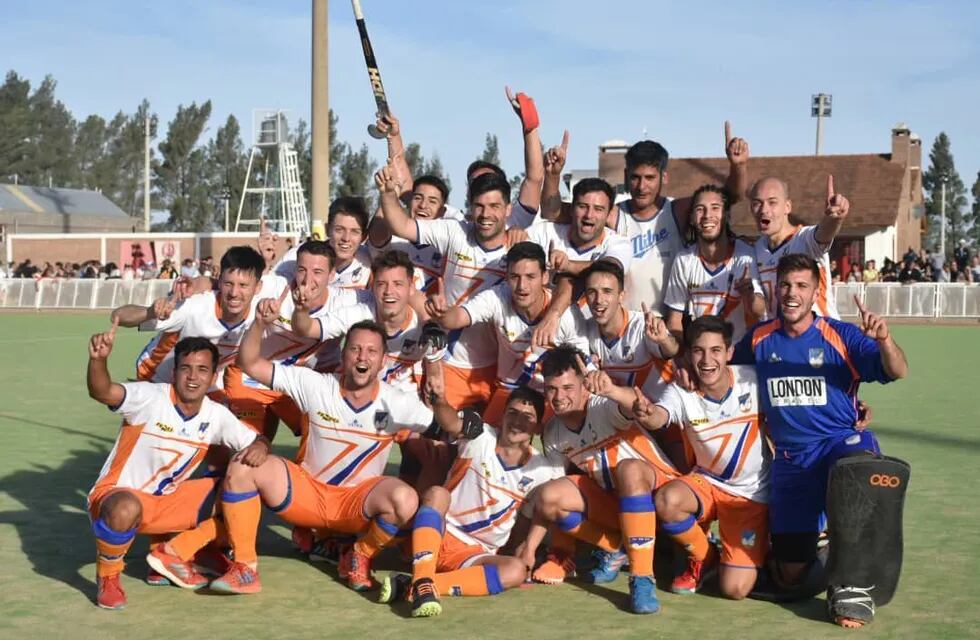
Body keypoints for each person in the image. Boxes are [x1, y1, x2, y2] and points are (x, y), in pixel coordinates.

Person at [209, 319, 463, 594]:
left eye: (371, 351)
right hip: (306, 496)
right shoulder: (314, 384)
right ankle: (245, 568)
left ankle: (360, 554)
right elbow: (250, 363)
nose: (362, 357)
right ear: (343, 355)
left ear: (382, 362)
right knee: (243, 466)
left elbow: (450, 429)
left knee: (406, 499)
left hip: (356, 507)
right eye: (355, 349)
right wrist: (259, 323)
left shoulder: (397, 402)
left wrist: (440, 399)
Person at [732, 253, 908, 628]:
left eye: (801, 286)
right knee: (792, 573)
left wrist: (885, 340)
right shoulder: (760, 339)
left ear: (816, 292)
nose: (792, 294)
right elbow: (722, 372)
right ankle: (828, 540)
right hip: (792, 459)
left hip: (838, 443)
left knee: (859, 469)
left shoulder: (840, 335)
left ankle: (852, 584)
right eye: (785, 285)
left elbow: (898, 370)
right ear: (775, 289)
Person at [86, 329, 268, 609]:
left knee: (242, 490)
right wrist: (98, 361)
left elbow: (254, 440)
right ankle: (108, 578)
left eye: (202, 370)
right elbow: (103, 391)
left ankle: (183, 551)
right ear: (174, 373)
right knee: (124, 508)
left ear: (212, 377)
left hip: (167, 504)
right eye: (186, 369)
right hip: (117, 499)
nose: (193, 377)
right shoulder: (150, 397)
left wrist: (262, 445)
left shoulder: (215, 414)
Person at [378, 387, 564, 617]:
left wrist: (523, 552)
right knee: (438, 494)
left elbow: (524, 524)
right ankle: (423, 579)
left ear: (538, 427)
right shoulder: (480, 436)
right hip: (437, 533)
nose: (518, 421)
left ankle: (418, 584)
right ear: (502, 415)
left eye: (528, 417)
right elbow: (452, 423)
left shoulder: (542, 471)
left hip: (475, 555)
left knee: (514, 570)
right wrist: (440, 400)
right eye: (513, 413)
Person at [522, 346, 678, 614]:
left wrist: (614, 391)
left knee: (628, 469)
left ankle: (642, 578)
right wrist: (530, 547)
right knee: (549, 495)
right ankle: (614, 547)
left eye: (568, 387)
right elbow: (557, 492)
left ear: (584, 386)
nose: (559, 397)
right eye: (552, 389)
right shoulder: (554, 434)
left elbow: (629, 404)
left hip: (663, 499)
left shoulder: (601, 406)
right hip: (620, 509)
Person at [542, 123, 750, 313]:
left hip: (669, 327)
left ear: (664, 177)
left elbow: (729, 197)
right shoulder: (612, 214)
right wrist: (553, 176)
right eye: (635, 178)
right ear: (626, 176)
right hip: (624, 327)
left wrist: (738, 166)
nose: (642, 187)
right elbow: (553, 212)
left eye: (649, 178)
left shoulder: (676, 210)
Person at [631, 316, 770, 600]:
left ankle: (755, 546)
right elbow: (661, 416)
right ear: (688, 355)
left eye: (716, 350)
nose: (707, 360)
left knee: (735, 589)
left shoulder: (752, 380)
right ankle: (705, 557)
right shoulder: (681, 390)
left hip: (750, 495)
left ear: (729, 353)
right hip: (706, 483)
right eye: (698, 351)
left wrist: (853, 408)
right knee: (667, 501)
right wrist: (647, 413)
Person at [429, 242, 590, 427]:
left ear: (545, 276)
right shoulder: (497, 297)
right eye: (515, 276)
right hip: (510, 389)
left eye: (531, 277)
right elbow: (458, 317)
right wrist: (442, 314)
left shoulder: (565, 314)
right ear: (506, 277)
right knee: (484, 444)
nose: (522, 286)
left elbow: (583, 365)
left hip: (553, 391)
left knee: (574, 434)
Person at [112, 246, 267, 398]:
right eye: (228, 284)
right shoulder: (193, 306)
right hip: (158, 380)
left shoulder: (261, 314)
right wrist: (151, 311)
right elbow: (118, 316)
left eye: (243, 286)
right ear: (219, 282)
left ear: (257, 287)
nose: (234, 293)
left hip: (203, 385)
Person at [664, 184, 766, 342]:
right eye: (700, 209)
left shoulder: (746, 256)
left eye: (715, 208)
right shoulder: (684, 260)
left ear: (726, 215)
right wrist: (682, 354)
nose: (707, 215)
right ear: (691, 218)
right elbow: (674, 320)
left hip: (741, 354)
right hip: (703, 355)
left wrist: (749, 294)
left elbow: (760, 311)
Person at [750, 175, 849, 319]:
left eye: (772, 202)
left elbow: (823, 234)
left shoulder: (804, 239)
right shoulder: (756, 249)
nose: (764, 210)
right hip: (782, 337)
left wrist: (833, 219)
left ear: (787, 207)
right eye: (757, 203)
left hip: (822, 336)